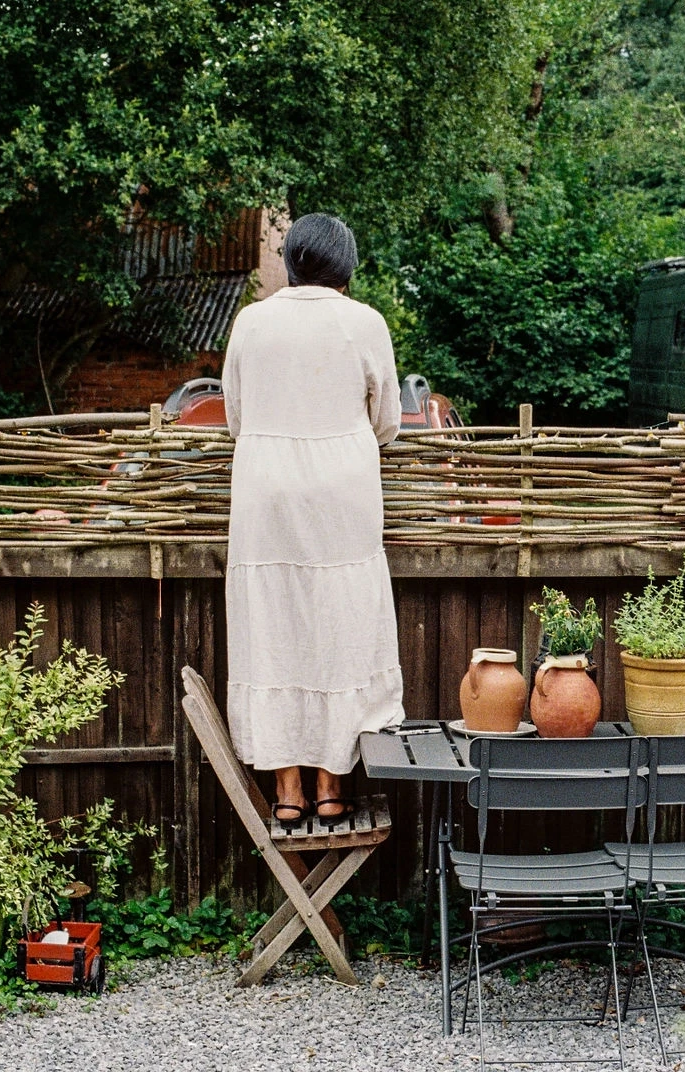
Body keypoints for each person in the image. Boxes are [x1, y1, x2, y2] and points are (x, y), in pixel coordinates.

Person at [221, 213, 405, 825]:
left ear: (293, 261)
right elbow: (388, 424)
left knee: (271, 625)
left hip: (264, 487)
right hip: (342, 489)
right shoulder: (365, 323)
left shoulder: (252, 321)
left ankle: (288, 790)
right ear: (346, 269)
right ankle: (332, 783)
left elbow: (235, 416)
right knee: (341, 622)